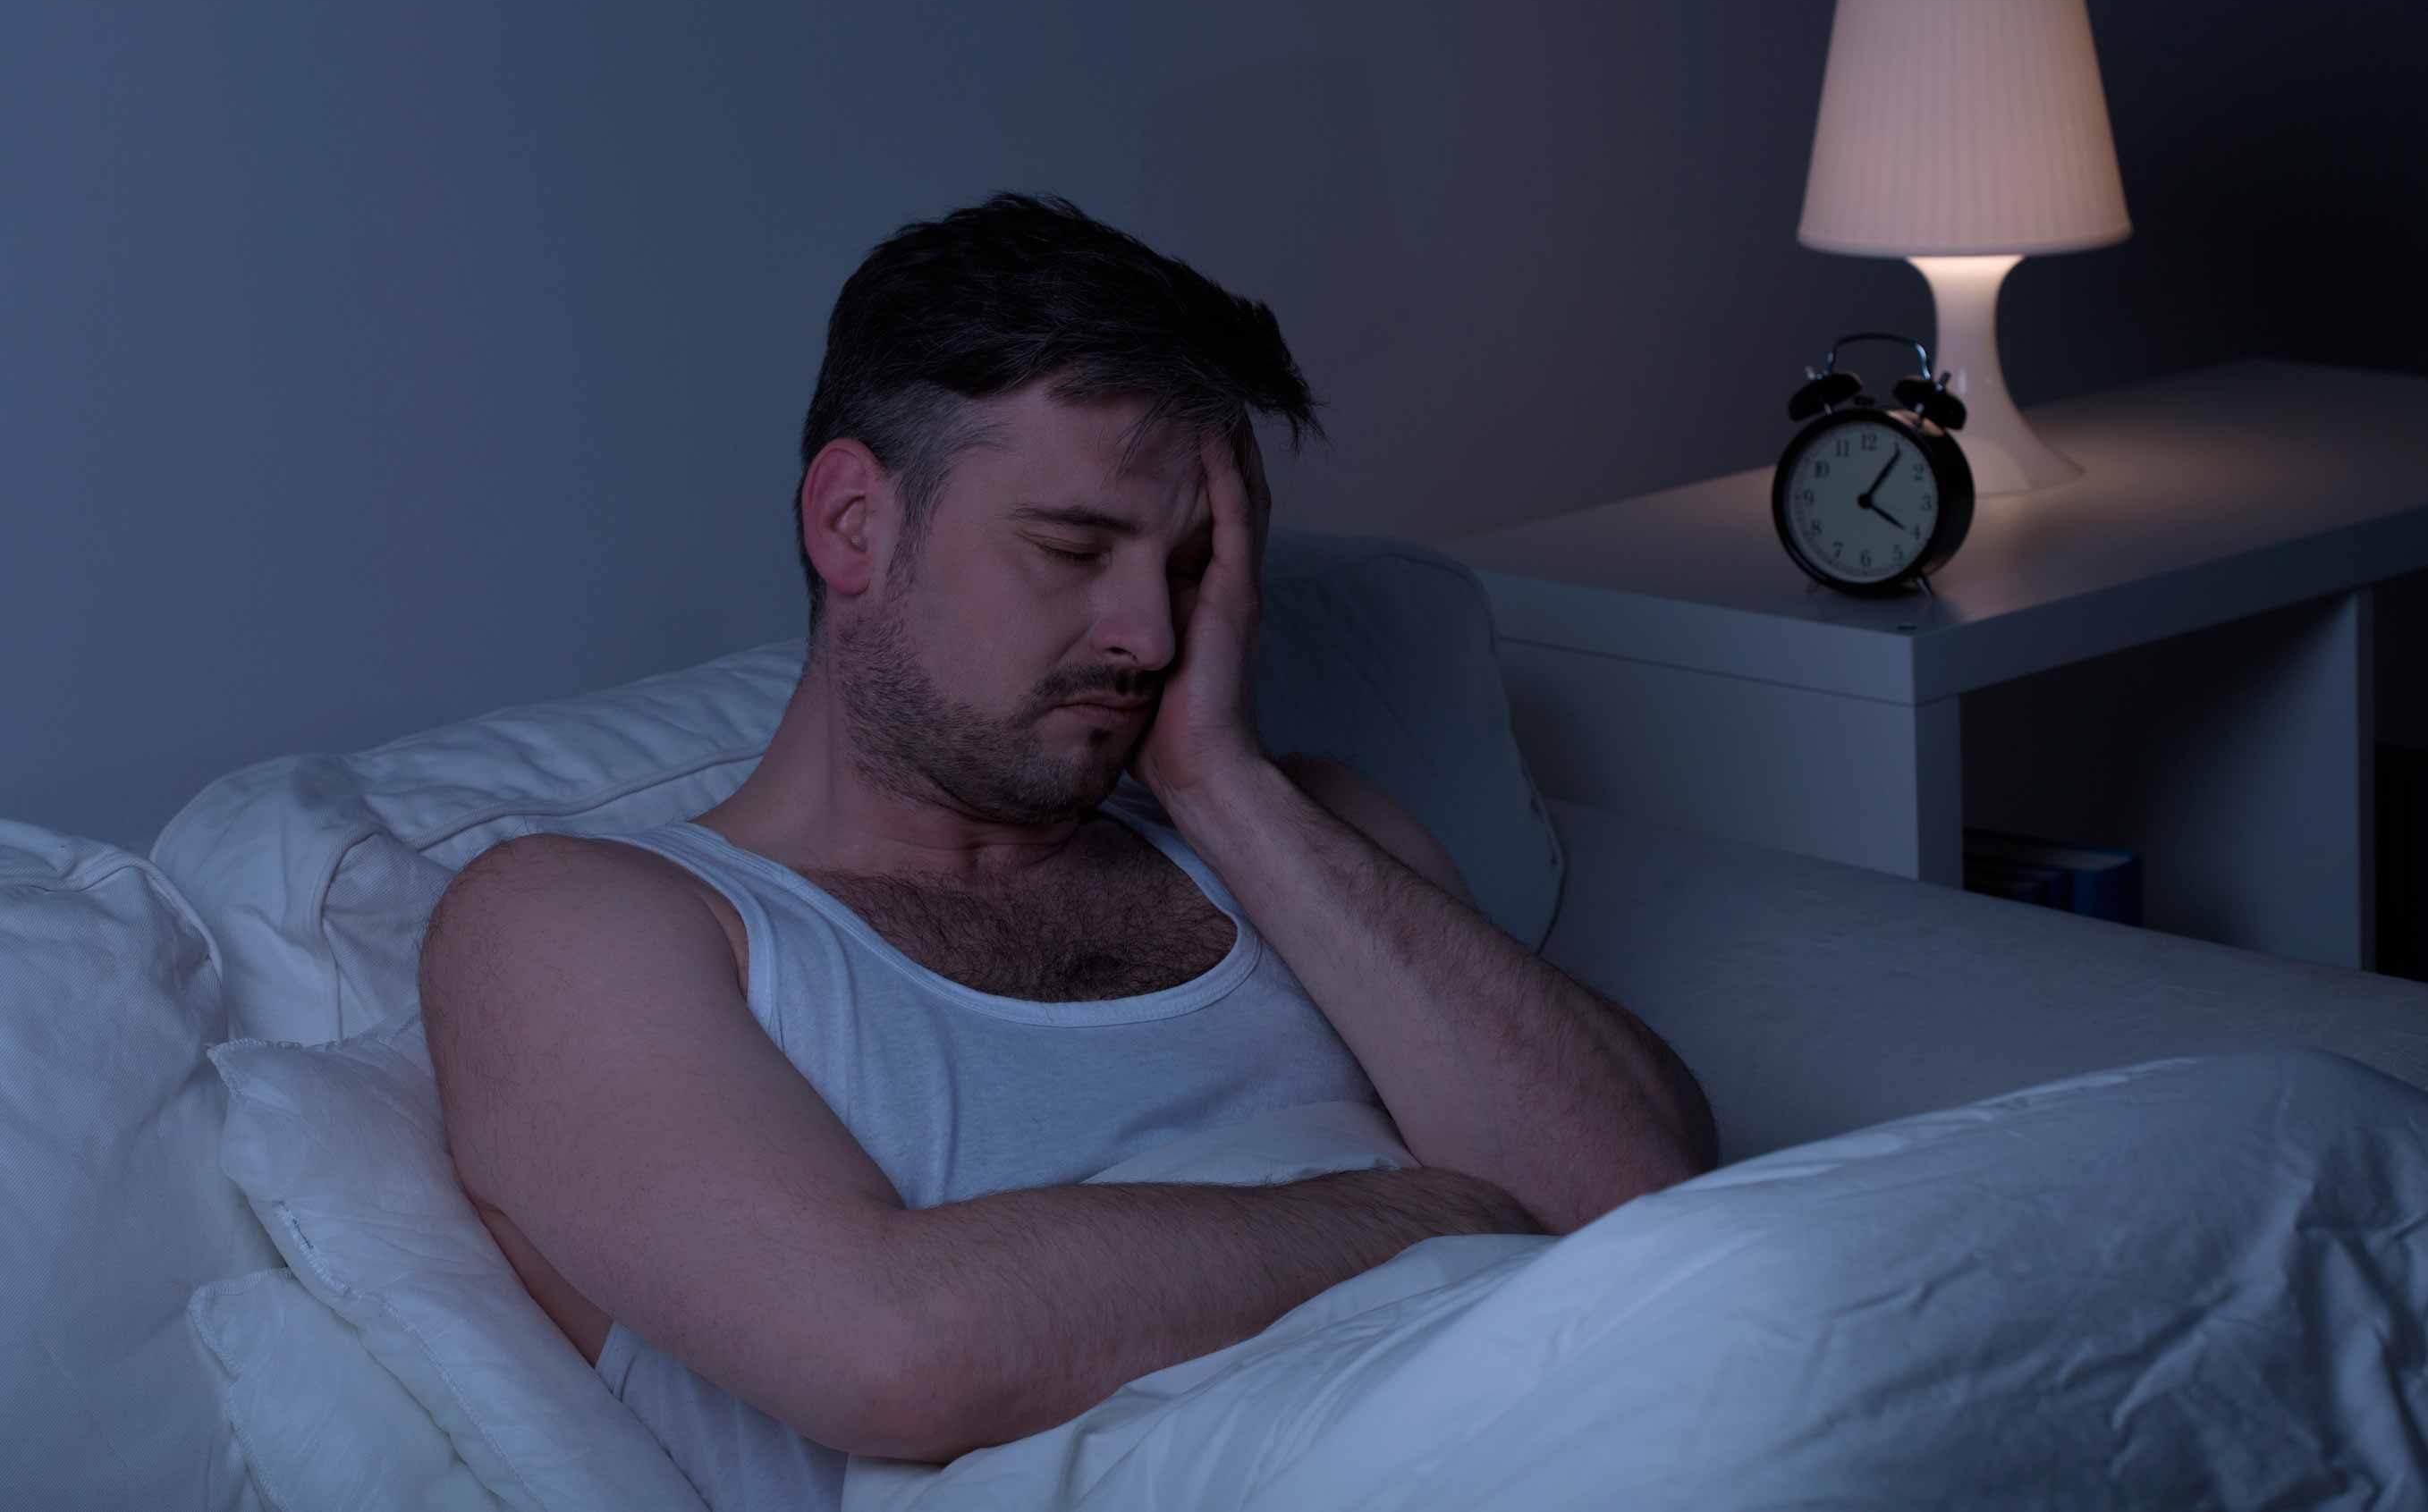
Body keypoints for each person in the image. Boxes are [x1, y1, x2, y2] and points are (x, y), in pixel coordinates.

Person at [419, 191, 1716, 1508]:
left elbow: (1650, 1192)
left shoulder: (1299, 835)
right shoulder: (580, 922)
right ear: (853, 522)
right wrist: (1424, 1214)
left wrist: (1227, 787)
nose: (1150, 635)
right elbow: (895, 1351)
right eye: (1077, 547)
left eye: (1194, 569)